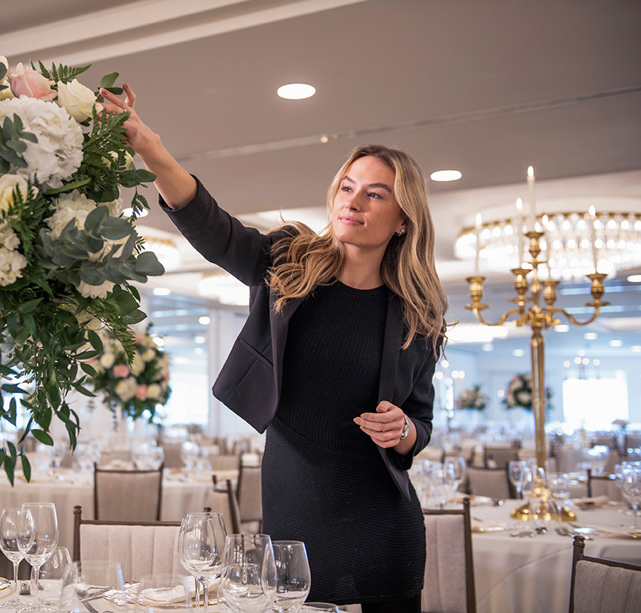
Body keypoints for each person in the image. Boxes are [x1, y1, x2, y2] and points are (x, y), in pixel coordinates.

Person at [100, 84, 447, 612]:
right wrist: (150, 147)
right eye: (347, 187)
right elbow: (213, 228)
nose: (351, 202)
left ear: (403, 219)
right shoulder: (290, 264)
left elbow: (419, 426)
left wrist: (403, 431)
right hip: (293, 512)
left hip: (383, 525)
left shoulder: (419, 316)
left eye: (374, 194)